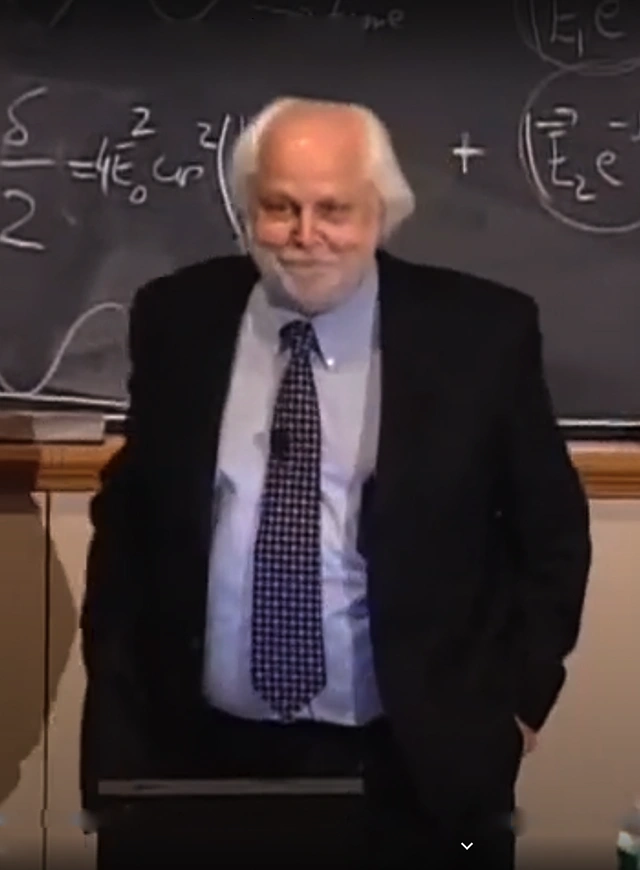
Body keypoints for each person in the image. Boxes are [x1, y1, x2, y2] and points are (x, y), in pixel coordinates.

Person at [80, 96, 592, 867]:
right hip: (196, 755)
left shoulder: (482, 334)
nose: (305, 234)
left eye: (334, 209)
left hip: (414, 766)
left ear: (383, 212)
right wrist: (115, 707)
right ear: (248, 209)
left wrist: (517, 700)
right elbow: (130, 524)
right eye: (279, 207)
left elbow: (550, 532)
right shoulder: (178, 318)